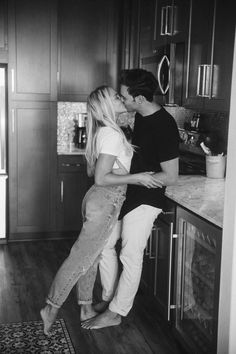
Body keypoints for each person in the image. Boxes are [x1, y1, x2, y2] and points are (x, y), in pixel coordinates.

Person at [40, 85, 162, 335]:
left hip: (102, 201)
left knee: (91, 257)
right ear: (106, 105)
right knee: (79, 260)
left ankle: (85, 308)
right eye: (114, 96)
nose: (120, 98)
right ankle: (50, 308)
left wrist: (123, 171)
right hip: (105, 200)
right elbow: (100, 178)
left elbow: (99, 171)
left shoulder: (109, 131)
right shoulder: (112, 135)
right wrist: (136, 177)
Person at [81, 69, 179, 330]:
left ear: (139, 98)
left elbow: (170, 176)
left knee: (130, 254)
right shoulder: (140, 117)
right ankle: (109, 297)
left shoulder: (164, 124)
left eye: (123, 96)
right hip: (128, 193)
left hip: (147, 198)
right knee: (104, 245)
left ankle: (117, 312)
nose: (121, 99)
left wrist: (137, 178)